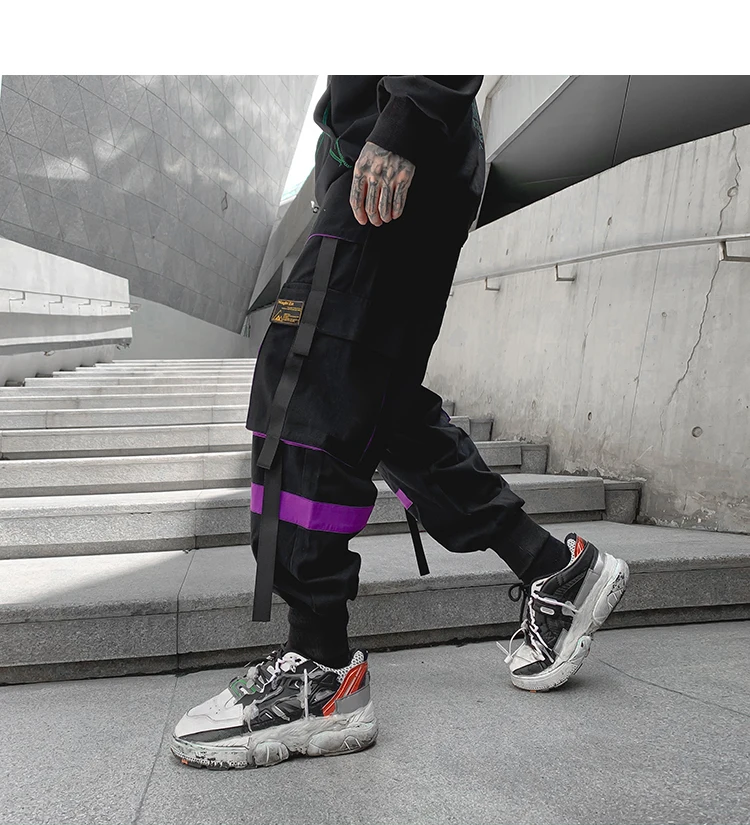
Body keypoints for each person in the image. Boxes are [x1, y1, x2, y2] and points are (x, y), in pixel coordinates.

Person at [171, 76, 630, 770]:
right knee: (371, 400)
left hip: (395, 147)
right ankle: (552, 567)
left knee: (307, 383)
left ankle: (319, 671)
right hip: (381, 151)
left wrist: (409, 119)